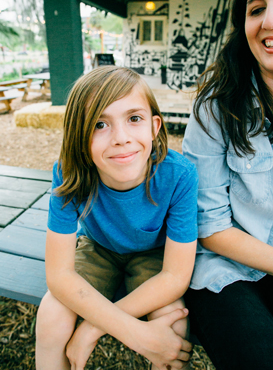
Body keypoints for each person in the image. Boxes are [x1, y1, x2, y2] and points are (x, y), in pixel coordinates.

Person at [35, 66, 197, 370]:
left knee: (173, 321)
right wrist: (134, 333)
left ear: (154, 126)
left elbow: (175, 276)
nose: (121, 138)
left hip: (154, 256)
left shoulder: (179, 176)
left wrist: (92, 328)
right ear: (78, 136)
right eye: (99, 124)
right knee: (51, 316)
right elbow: (58, 275)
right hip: (98, 249)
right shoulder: (69, 172)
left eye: (134, 119)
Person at [180, 0, 273, 367]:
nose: (271, 20)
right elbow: (210, 225)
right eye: (257, 9)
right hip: (225, 267)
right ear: (244, 27)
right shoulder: (216, 105)